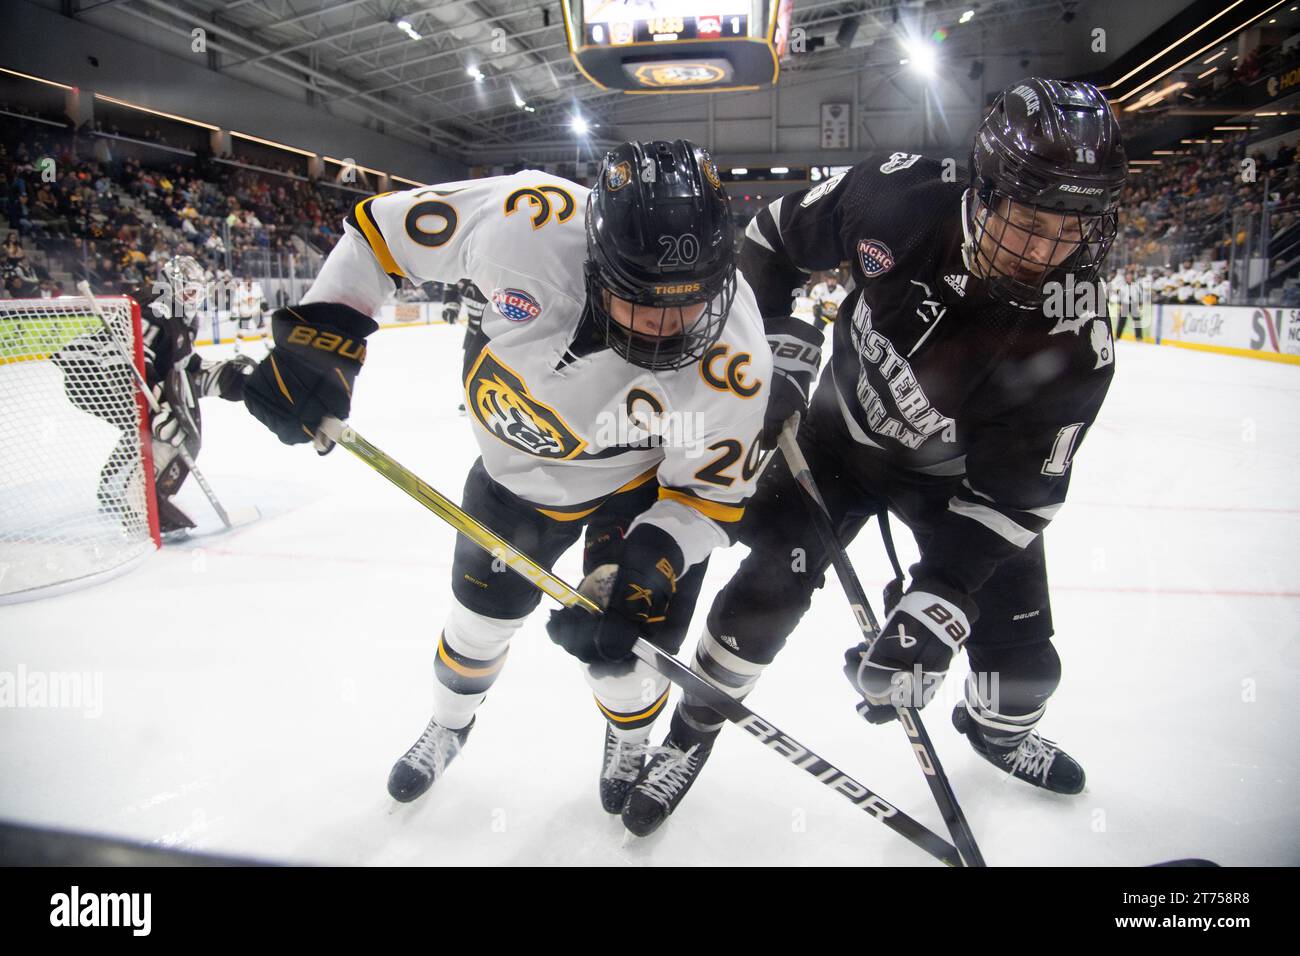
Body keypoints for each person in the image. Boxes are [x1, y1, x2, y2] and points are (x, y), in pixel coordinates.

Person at [620, 78, 1128, 836]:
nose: (1047, 249)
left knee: (1024, 672)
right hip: (834, 441)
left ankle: (998, 731)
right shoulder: (895, 194)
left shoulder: (1077, 336)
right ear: (985, 188)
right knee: (759, 602)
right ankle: (692, 733)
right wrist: (781, 355)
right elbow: (768, 243)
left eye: (1073, 226)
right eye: (1028, 219)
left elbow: (1016, 497)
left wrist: (940, 601)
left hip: (955, 490)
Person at [240, 141, 774, 826]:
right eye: (643, 302)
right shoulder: (527, 220)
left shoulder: (735, 358)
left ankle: (630, 738)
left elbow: (705, 497)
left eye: (691, 302)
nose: (670, 330)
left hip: (636, 492)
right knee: (476, 625)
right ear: (595, 260)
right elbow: (381, 237)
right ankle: (450, 722)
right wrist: (323, 333)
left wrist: (655, 563)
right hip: (512, 482)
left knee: (623, 658)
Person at [52, 255, 255, 534]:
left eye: (198, 293)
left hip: (104, 377)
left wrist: (231, 379)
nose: (194, 299)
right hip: (94, 376)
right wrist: (156, 399)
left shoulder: (181, 320)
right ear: (170, 287)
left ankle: (115, 487)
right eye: (188, 291)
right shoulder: (152, 307)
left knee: (152, 425)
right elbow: (126, 358)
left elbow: (185, 369)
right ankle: (139, 502)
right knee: (170, 426)